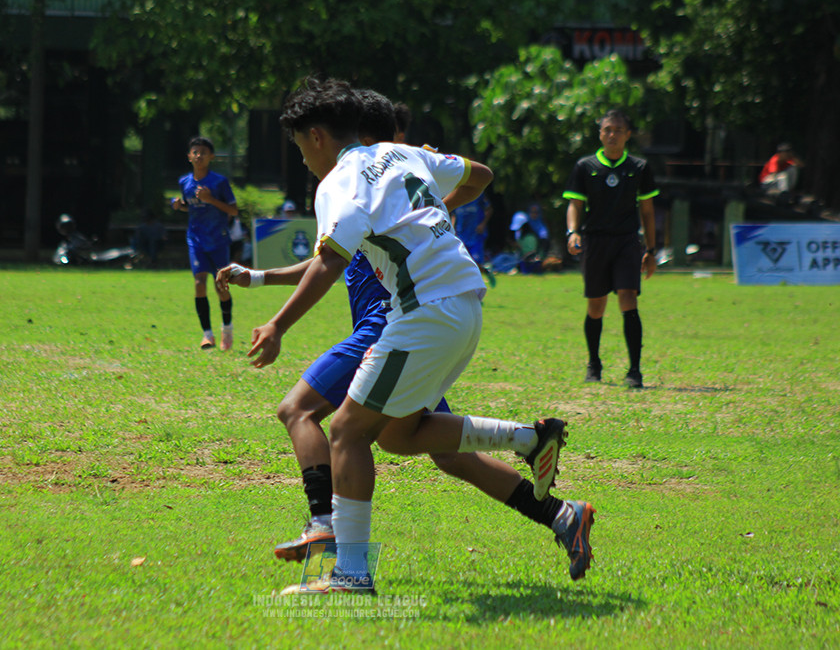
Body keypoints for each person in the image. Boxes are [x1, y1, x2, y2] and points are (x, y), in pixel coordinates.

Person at [247, 76, 595, 591]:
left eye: (300, 147)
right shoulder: (404, 154)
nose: (303, 159)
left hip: (422, 313)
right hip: (463, 306)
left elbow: (328, 263)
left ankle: (350, 572)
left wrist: (277, 324)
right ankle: (529, 442)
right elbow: (480, 176)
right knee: (397, 434)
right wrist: (435, 211)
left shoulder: (338, 184)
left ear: (317, 136)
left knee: (345, 432)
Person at [563, 109, 658, 389]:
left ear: (628, 135)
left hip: (627, 241)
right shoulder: (585, 166)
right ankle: (594, 364)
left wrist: (651, 250)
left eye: (618, 130)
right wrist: (572, 232)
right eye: (607, 129)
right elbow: (575, 204)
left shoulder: (639, 168)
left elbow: (648, 211)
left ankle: (635, 370)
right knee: (596, 305)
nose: (612, 134)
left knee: (629, 298)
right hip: (595, 241)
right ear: (600, 134)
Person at [171, 136, 238, 351]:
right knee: (199, 283)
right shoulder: (184, 182)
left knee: (221, 286)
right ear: (189, 157)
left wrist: (211, 200)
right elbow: (190, 205)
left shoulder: (219, 182)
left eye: (203, 152)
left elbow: (233, 210)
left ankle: (227, 328)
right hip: (196, 239)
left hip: (218, 239)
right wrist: (179, 205)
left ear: (211, 157)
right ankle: (207, 335)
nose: (199, 156)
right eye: (195, 152)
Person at [510, 201, 551, 273]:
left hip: (536, 253)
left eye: (536, 212)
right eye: (532, 212)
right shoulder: (524, 223)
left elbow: (544, 240)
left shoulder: (541, 228)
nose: (534, 214)